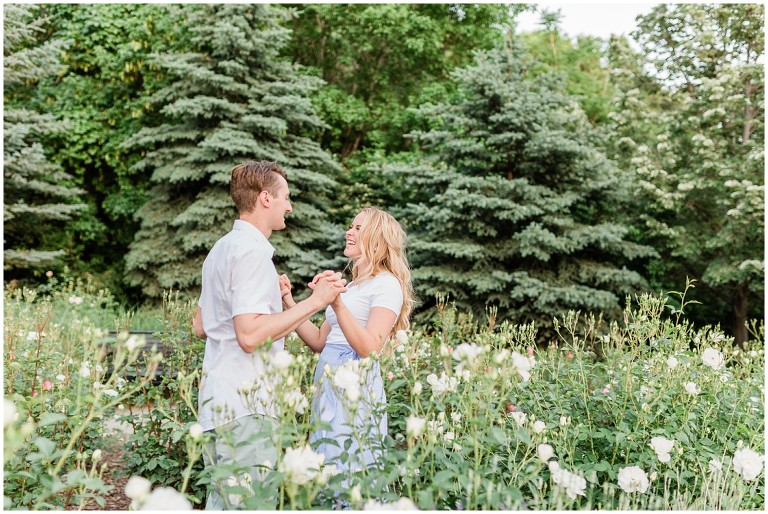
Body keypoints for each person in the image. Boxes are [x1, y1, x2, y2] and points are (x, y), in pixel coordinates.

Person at [191, 160, 346, 510]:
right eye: (286, 198)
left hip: (217, 402)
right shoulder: (253, 252)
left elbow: (201, 326)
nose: (289, 206)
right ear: (265, 198)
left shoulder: (221, 249)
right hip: (248, 408)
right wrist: (315, 302)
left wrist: (281, 309)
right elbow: (249, 335)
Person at [280, 207, 414, 480]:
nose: (348, 232)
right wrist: (289, 302)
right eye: (350, 227)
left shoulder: (387, 284)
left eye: (357, 228)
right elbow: (319, 341)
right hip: (328, 373)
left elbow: (371, 349)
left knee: (350, 465)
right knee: (325, 458)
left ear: (376, 239)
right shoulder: (352, 287)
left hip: (355, 381)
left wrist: (337, 303)